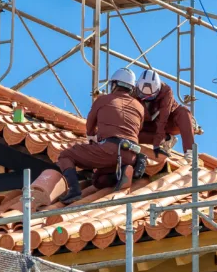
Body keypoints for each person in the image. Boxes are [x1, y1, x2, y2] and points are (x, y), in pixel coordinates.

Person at [57, 68, 144, 204]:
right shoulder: (139, 107)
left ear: (114, 85)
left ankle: (74, 191)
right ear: (131, 88)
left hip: (109, 150)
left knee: (66, 155)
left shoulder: (103, 100)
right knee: (98, 180)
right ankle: (121, 172)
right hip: (131, 154)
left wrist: (94, 138)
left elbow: (90, 127)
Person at [135, 70, 195, 161]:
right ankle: (166, 139)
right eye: (143, 95)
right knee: (131, 134)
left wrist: (156, 145)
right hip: (147, 124)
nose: (147, 99)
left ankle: (190, 151)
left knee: (184, 112)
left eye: (150, 96)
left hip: (168, 122)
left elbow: (163, 118)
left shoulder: (166, 91)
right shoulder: (133, 92)